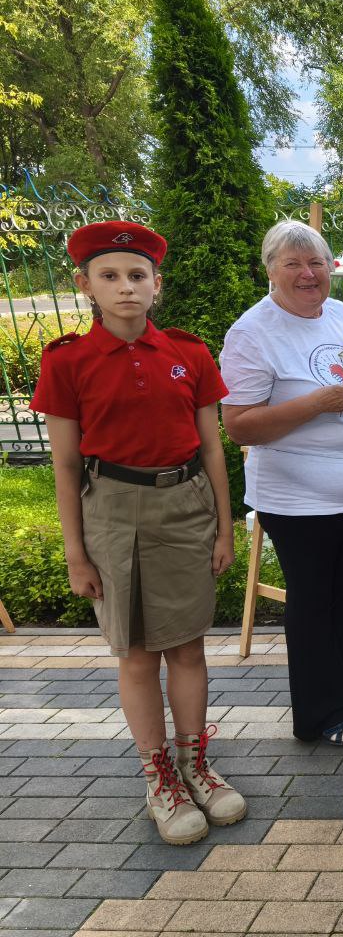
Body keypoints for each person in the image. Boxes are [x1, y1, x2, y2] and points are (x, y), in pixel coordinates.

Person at [32, 221, 245, 845]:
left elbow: (213, 449)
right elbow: (66, 466)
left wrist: (223, 527)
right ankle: (159, 776)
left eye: (137, 275)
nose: (126, 287)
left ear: (156, 285)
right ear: (86, 285)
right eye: (110, 276)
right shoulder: (68, 361)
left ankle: (195, 763)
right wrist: (76, 553)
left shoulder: (189, 355)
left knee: (187, 645)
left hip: (185, 506)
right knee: (135, 652)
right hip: (113, 513)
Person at [221, 220, 343, 747]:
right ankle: (322, 715)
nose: (307, 273)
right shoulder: (253, 331)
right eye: (292, 264)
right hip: (298, 499)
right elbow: (239, 423)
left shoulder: (342, 315)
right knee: (315, 600)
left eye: (315, 262)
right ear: (270, 270)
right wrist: (314, 404)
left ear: (331, 267)